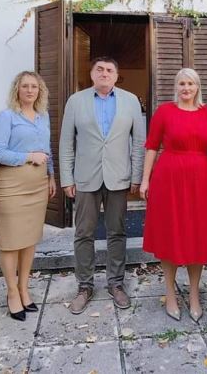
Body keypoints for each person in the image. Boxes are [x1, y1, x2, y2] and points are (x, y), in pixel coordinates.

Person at [60, 56, 145, 314]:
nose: (104, 73)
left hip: (118, 177)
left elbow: (139, 141)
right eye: (100, 69)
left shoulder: (130, 101)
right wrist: (67, 178)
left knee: (117, 232)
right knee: (83, 233)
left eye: (109, 70)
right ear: (92, 73)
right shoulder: (76, 101)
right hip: (86, 177)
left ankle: (116, 283)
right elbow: (66, 142)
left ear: (116, 75)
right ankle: (85, 286)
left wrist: (136, 176)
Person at [140, 68, 207, 322]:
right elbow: (152, 146)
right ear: (176, 87)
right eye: (182, 84)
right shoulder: (164, 111)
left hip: (202, 181)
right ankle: (170, 293)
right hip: (169, 180)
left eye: (191, 83)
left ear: (198, 87)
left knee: (197, 236)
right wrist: (145, 180)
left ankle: (194, 294)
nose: (186, 88)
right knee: (171, 234)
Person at [0, 71, 56, 321]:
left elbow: (47, 150)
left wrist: (51, 176)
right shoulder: (7, 117)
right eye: (25, 86)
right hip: (11, 187)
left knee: (29, 239)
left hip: (38, 185)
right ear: (17, 89)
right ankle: (11, 293)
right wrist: (28, 157)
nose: (30, 90)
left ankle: (24, 289)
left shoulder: (42, 117)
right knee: (10, 241)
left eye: (34, 87)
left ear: (40, 91)